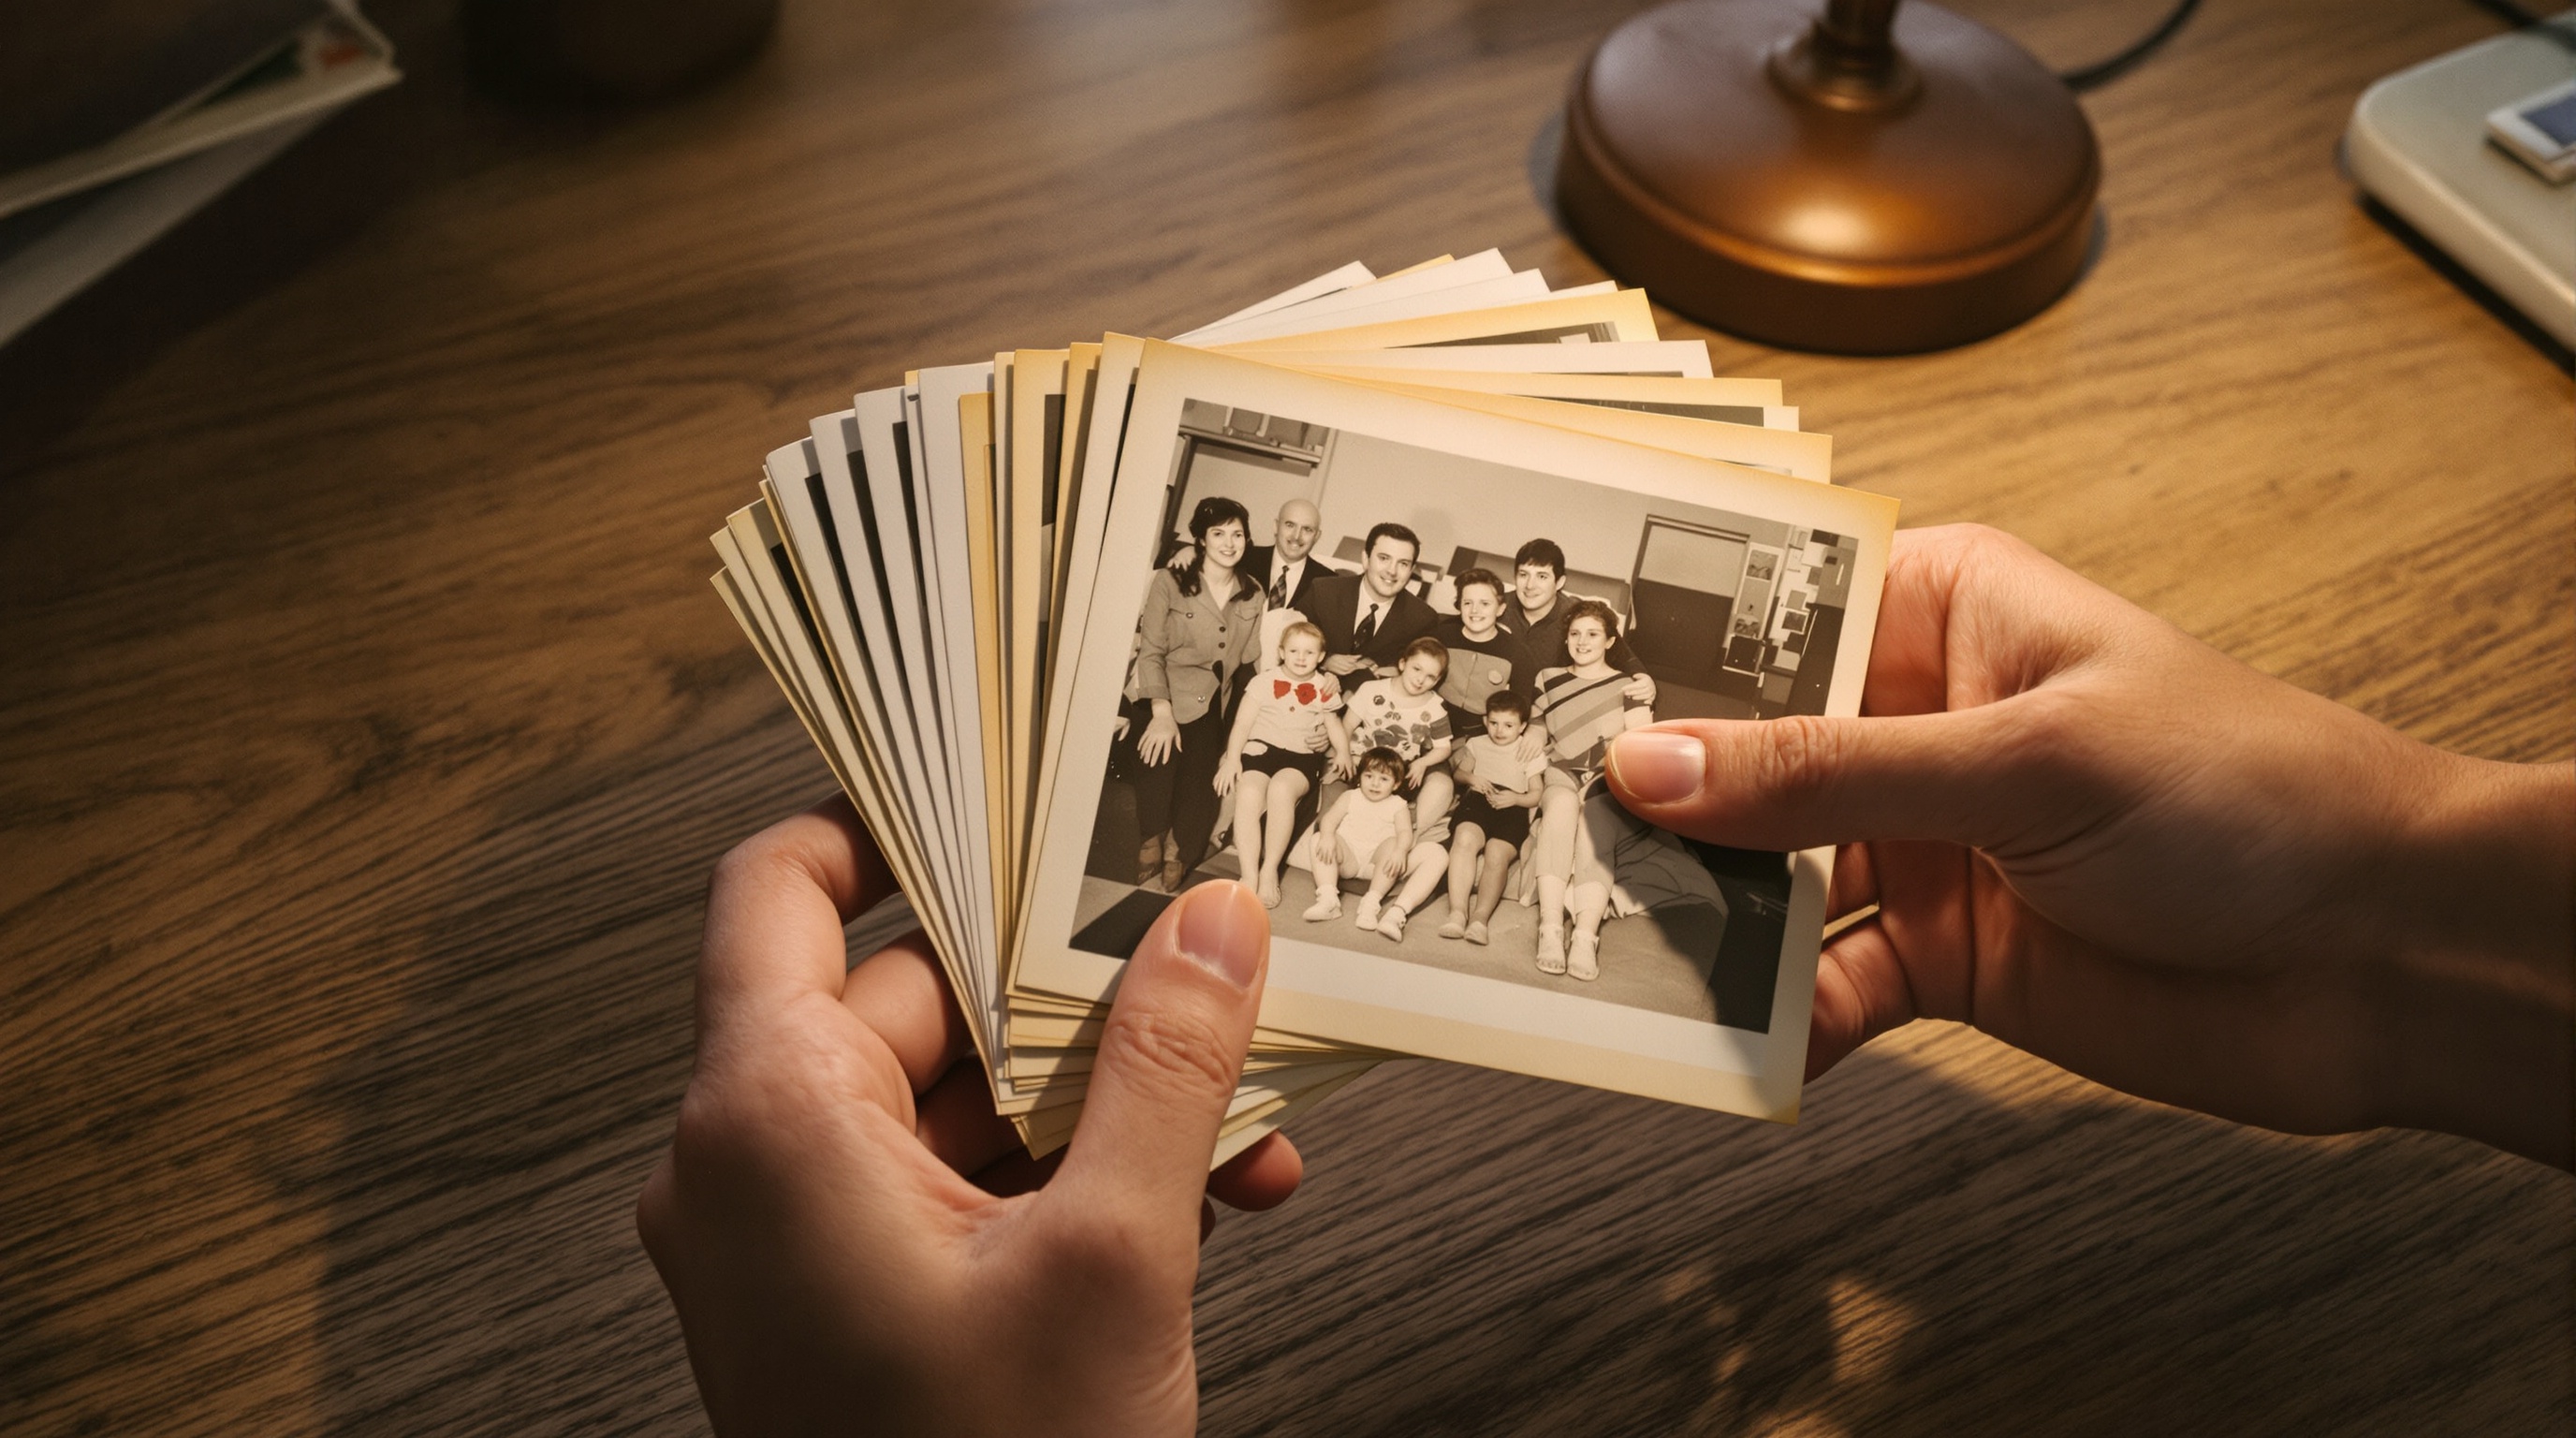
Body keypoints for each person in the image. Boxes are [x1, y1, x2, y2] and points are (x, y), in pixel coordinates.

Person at [643, 524, 2570, 1437]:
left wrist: (2385, 911)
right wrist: (2378, 904)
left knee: (1515, 867)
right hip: (1314, 782)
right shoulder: (1327, 641)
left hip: (1478, 810)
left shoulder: (1531, 671)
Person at [1118, 496, 1264, 890]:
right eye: (1218, 534)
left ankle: (1176, 848)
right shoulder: (1169, 581)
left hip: (1214, 704)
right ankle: (1151, 836)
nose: (1229, 543)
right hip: (1164, 693)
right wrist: (1161, 713)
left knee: (1202, 786)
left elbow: (1251, 664)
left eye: (1238, 534)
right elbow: (1150, 653)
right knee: (1156, 760)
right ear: (1200, 539)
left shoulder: (1253, 593)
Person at [1527, 600, 1654, 980]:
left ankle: (1585, 935)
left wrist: (1604, 782)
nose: (1582, 642)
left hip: (1607, 777)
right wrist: (1532, 738)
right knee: (1562, 807)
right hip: (1560, 772)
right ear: (1566, 639)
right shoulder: (1546, 677)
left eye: (1593, 634)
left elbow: (1640, 746)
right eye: (1575, 634)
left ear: (1610, 640)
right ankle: (1549, 928)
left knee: (1595, 820)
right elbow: (1536, 728)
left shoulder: (1629, 686)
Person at [1214, 620, 1349, 909]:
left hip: (1300, 757)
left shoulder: (1323, 687)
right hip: (1260, 750)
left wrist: (1343, 752)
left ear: (1321, 656)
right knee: (1249, 792)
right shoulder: (1263, 681)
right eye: (1294, 651)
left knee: (1281, 790)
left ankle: (1269, 869)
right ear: (1281, 652)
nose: (1301, 658)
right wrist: (1233, 758)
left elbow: (1333, 724)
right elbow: (1242, 723)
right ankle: (1248, 873)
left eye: (1309, 652)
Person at [1436, 688, 1545, 944]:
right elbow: (1459, 775)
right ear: (1485, 721)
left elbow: (1537, 794)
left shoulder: (1527, 750)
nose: (1499, 730)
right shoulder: (1477, 744)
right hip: (1478, 802)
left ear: (1522, 727)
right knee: (1464, 840)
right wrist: (1472, 777)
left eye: (1508, 725)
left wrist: (1517, 798)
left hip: (1513, 807)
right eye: (1494, 723)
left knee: (1497, 854)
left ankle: (1480, 919)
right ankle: (1457, 912)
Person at [1499, 536, 1656, 710]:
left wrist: (1644, 679)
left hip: (1547, 710)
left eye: (1542, 576)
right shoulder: (1495, 607)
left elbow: (1623, 656)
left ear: (1559, 582)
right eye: (1523, 575)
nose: (1530, 585)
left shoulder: (1578, 614)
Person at [1300, 746, 1440, 935]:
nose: (1375, 784)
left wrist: (1400, 850)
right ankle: (1328, 899)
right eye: (1369, 776)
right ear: (1360, 778)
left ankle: (1371, 902)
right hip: (1348, 858)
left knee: (1394, 843)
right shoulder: (1350, 796)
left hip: (1377, 866)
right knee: (1318, 838)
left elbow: (1405, 832)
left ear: (1396, 784)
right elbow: (1329, 820)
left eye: (1384, 779)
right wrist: (1327, 836)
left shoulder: (1398, 805)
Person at [1298, 521, 1440, 679]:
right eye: (1384, 558)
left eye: (1403, 564)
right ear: (1366, 559)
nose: (1392, 571)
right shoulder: (1323, 592)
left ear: (1411, 570)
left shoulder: (1423, 619)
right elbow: (1290, 639)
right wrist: (1324, 659)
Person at [1432, 566, 1520, 742]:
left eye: (1485, 604)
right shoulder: (1440, 636)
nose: (1475, 610)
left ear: (1501, 609)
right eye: (1467, 603)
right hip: (1431, 725)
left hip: (1479, 738)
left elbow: (1520, 707)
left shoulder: (1516, 651)